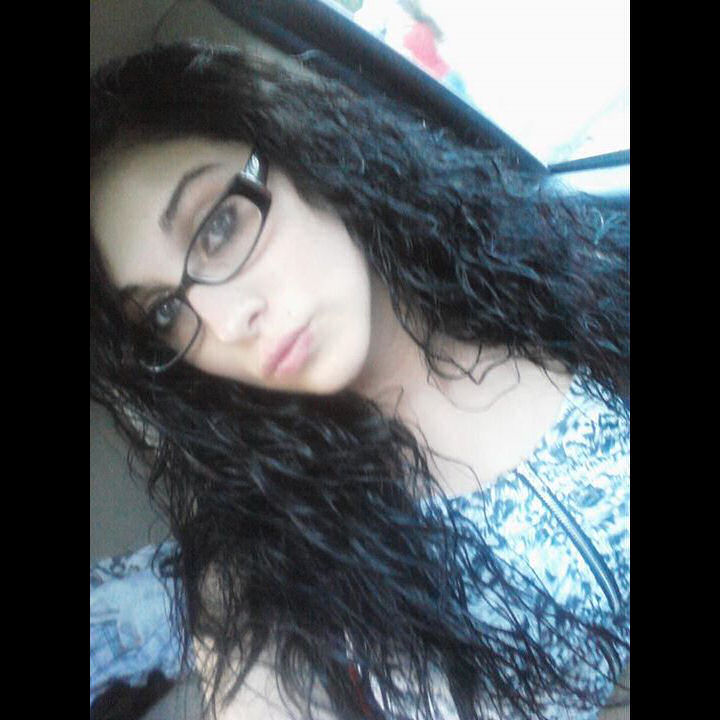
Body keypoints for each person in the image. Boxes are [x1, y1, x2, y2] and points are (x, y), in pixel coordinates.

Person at [89, 40, 629, 720]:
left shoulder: (561, 286)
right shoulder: (264, 565)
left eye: (219, 226)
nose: (223, 324)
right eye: (165, 313)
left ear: (299, 148)